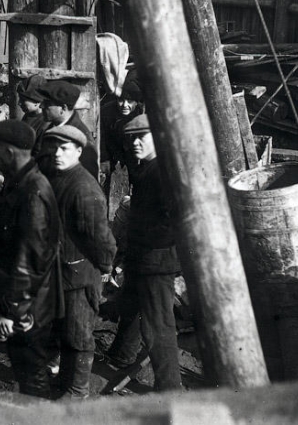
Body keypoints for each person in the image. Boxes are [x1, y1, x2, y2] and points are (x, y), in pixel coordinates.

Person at [0, 120, 60, 397]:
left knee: (31, 373)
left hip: (28, 305)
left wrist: (13, 312)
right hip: (29, 300)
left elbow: (30, 258)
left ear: (9, 153)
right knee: (29, 368)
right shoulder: (24, 182)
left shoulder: (32, 190)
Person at [104, 115, 182, 392]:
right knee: (130, 303)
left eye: (142, 137)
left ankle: (171, 388)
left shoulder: (165, 173)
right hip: (142, 256)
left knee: (158, 325)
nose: (135, 143)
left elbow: (175, 220)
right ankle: (122, 354)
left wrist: (146, 246)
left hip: (156, 258)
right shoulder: (150, 167)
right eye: (132, 138)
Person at [38, 126, 117, 399]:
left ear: (79, 152)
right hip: (60, 269)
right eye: (54, 148)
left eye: (65, 149)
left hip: (79, 273)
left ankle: (78, 390)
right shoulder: (57, 177)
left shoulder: (83, 188)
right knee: (63, 328)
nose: (57, 154)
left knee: (78, 333)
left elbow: (101, 237)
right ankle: (65, 380)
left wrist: (105, 268)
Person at [36, 80, 99, 179]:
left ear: (63, 108)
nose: (41, 106)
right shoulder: (51, 128)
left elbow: (88, 180)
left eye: (47, 103)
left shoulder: (82, 138)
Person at [17, 74, 47, 139]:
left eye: (23, 100)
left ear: (37, 101)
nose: (19, 103)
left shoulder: (45, 124)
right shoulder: (28, 115)